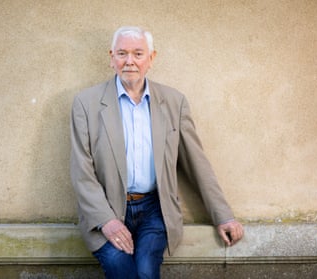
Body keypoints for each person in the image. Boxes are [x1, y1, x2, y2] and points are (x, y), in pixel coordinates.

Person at [70, 26, 243, 279]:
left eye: (138, 54)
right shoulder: (86, 103)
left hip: (155, 209)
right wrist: (107, 220)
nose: (129, 61)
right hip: (106, 209)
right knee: (122, 270)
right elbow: (81, 170)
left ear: (151, 59)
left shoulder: (174, 102)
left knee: (145, 271)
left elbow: (197, 164)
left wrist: (223, 216)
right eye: (122, 53)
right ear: (111, 58)